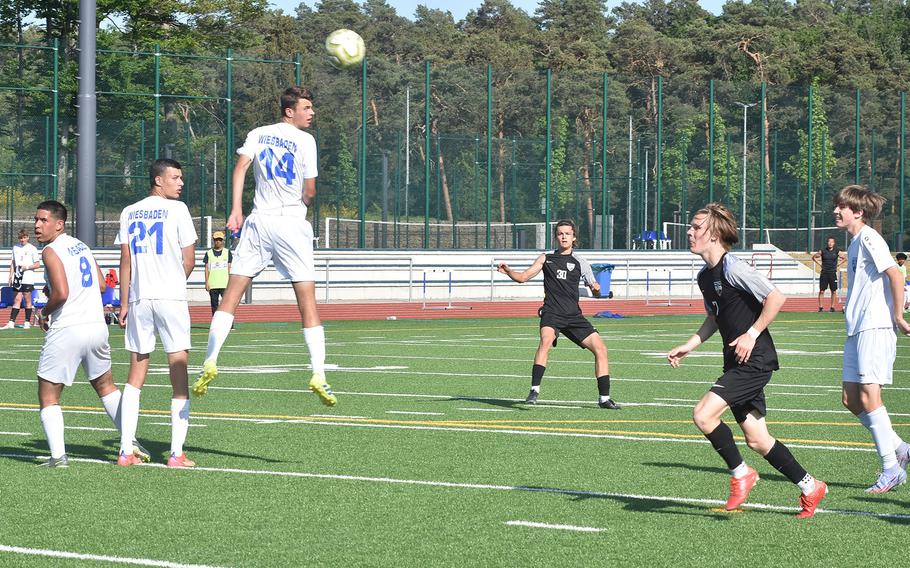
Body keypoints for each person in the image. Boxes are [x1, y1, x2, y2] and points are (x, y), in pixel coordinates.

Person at [667, 203, 827, 519]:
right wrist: (690, 344)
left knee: (703, 414)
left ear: (713, 234)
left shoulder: (733, 267)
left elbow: (776, 297)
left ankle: (741, 473)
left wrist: (752, 333)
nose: (689, 231)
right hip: (736, 362)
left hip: (756, 361)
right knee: (758, 439)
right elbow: (715, 317)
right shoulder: (705, 276)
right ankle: (811, 486)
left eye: (696, 227)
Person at [191, 86, 335, 407]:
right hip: (290, 223)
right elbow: (309, 191)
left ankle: (210, 359)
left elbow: (240, 168)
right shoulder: (306, 141)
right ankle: (318, 373)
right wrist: (304, 200)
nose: (312, 113)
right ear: (289, 111)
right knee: (307, 302)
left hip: (258, 221)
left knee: (231, 296)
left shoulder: (258, 133)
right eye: (307, 108)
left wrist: (235, 210)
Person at [32, 200, 149, 467]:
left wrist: (43, 312)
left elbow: (61, 293)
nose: (38, 225)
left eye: (43, 220)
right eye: (36, 220)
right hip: (96, 328)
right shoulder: (81, 245)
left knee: (49, 395)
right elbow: (99, 283)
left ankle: (58, 456)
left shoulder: (51, 251)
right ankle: (129, 441)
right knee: (106, 386)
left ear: (59, 224)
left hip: (68, 329)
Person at [115, 158, 198, 468]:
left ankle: (125, 450)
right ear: (158, 180)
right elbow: (188, 259)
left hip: (139, 299)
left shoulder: (128, 211)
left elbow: (125, 261)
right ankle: (176, 453)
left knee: (135, 376)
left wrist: (124, 302)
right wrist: (174, 282)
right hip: (170, 298)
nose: (180, 183)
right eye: (175, 177)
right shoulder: (178, 210)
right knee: (179, 372)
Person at [833, 185, 910, 493]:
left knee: (869, 396)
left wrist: (898, 316)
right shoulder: (853, 243)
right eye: (837, 206)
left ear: (858, 212)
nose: (836, 211)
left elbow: (896, 274)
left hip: (874, 327)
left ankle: (891, 468)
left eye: (842, 207)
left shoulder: (868, 237)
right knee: (850, 399)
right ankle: (901, 449)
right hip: (857, 328)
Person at [497, 219, 619, 409]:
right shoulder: (546, 258)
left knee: (601, 349)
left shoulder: (580, 263)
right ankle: (534, 390)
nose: (564, 237)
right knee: (546, 341)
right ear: (556, 237)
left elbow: (595, 291)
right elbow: (523, 278)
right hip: (552, 313)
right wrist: (509, 271)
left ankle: (604, 398)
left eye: (567, 234)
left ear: (574, 237)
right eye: (560, 233)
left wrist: (596, 289)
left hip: (574, 317)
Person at [4, 228, 41, 329]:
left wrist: (27, 267)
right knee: (16, 299)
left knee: (27, 298)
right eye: (20, 238)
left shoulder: (32, 248)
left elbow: (38, 264)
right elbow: (13, 263)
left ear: (28, 238)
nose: (22, 240)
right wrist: (10, 276)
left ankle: (27, 322)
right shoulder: (15, 247)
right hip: (17, 277)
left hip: (28, 277)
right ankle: (11, 322)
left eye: (24, 238)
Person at [811, 236, 846, 312]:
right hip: (824, 273)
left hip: (833, 273)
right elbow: (814, 257)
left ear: (834, 243)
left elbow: (845, 258)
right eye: (829, 242)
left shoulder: (836, 251)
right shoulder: (823, 251)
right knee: (822, 291)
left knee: (833, 291)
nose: (830, 243)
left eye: (832, 242)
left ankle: (832, 307)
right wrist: (820, 264)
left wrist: (838, 265)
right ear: (827, 243)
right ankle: (820, 307)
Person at [204, 231, 232, 315]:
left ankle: (230, 324)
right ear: (213, 240)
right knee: (214, 305)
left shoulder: (227, 252)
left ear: (222, 241)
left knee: (227, 305)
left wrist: (230, 282)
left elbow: (229, 268)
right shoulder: (208, 253)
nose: (218, 241)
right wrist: (206, 282)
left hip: (225, 284)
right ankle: (216, 324)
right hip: (213, 284)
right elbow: (206, 269)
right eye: (216, 239)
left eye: (220, 239)